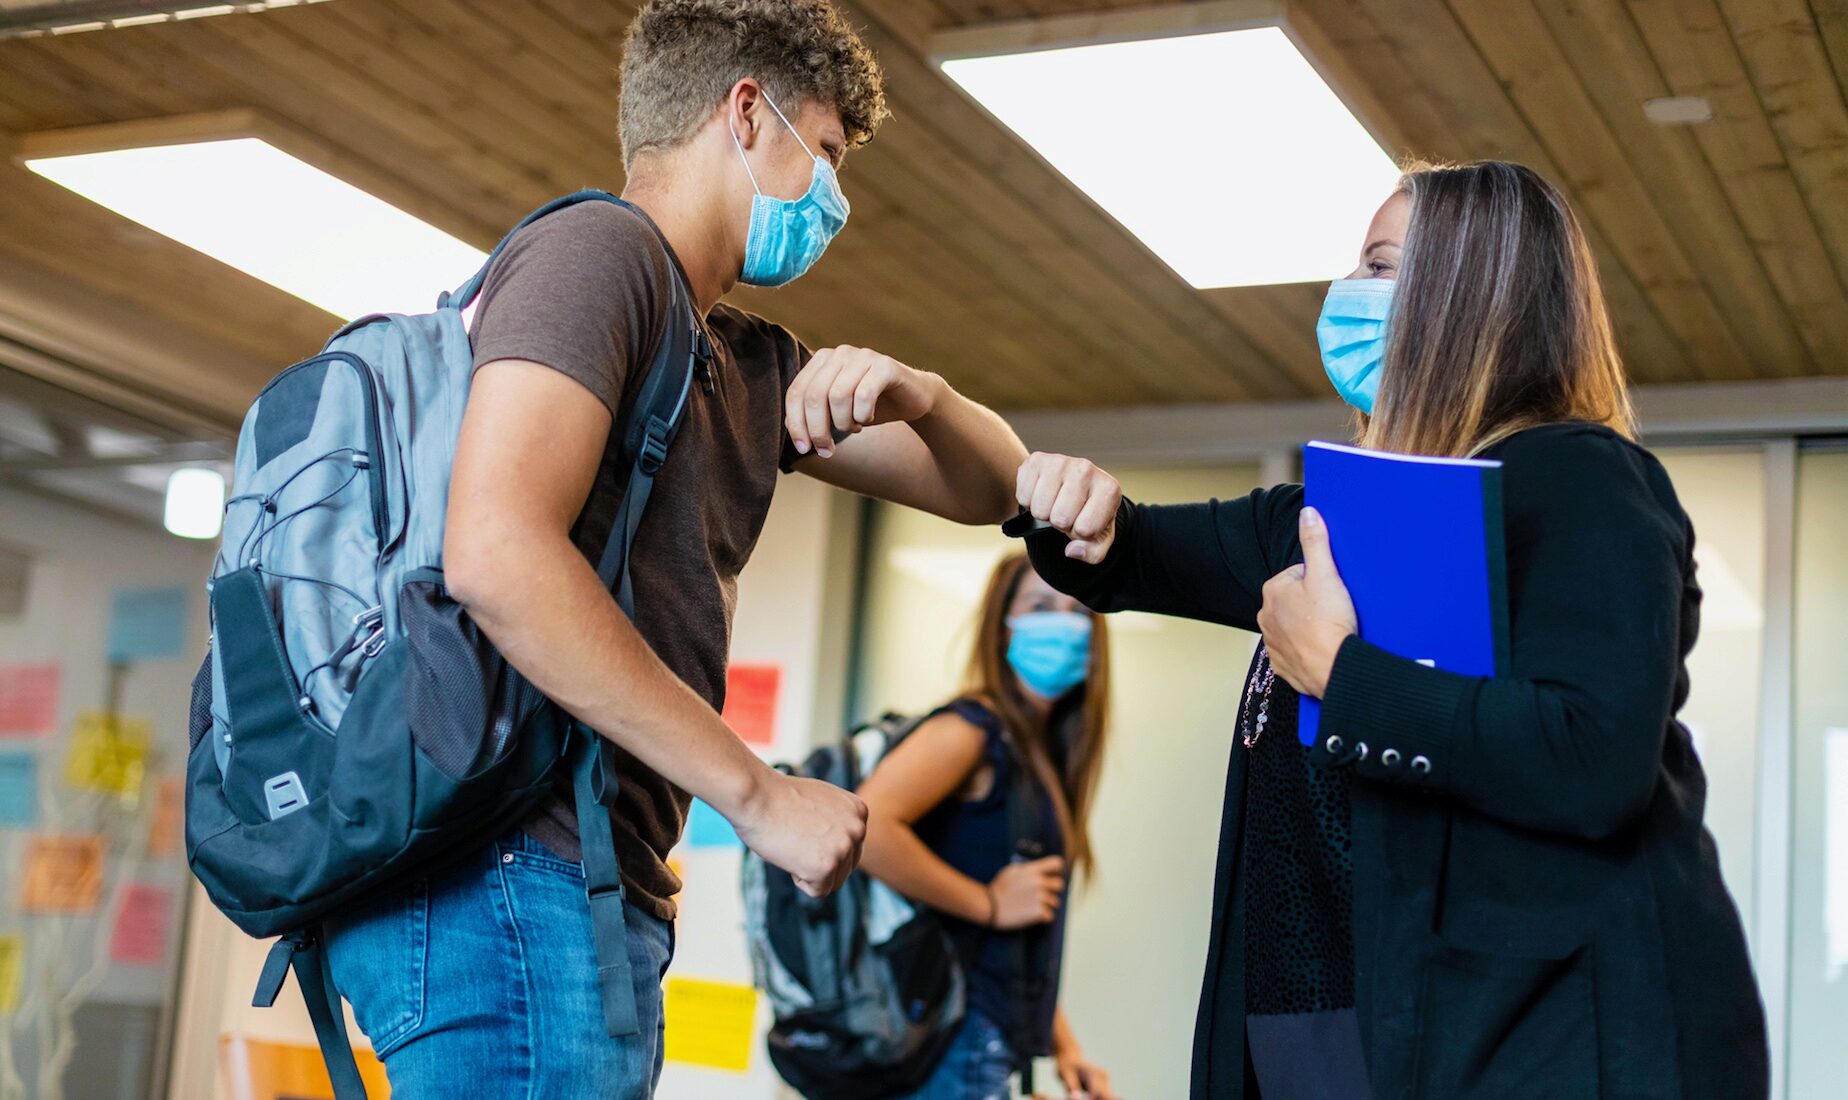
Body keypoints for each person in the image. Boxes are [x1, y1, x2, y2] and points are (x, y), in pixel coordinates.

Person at [323, 2, 1030, 1096]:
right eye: (827, 157)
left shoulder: (744, 361)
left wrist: (924, 395)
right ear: (747, 114)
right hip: (510, 864)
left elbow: (993, 486)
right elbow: (499, 554)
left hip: (586, 886)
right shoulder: (597, 257)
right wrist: (759, 795)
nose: (833, 200)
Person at [1015, 161, 1767, 1099]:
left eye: (1379, 267)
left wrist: (1339, 671)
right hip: (1319, 1027)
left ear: (1467, 295)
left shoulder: (1579, 481)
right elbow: (1129, 551)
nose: (1348, 294)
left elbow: (1591, 759)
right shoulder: (1341, 511)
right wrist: (1061, 499)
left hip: (1546, 1044)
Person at [856, 554, 1119, 1100]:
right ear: (1003, 629)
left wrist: (1065, 1047)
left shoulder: (1040, 751)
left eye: (1078, 612)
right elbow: (868, 828)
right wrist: (988, 903)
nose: (1065, 624)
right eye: (1041, 607)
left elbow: (1025, 934)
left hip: (991, 1042)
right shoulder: (971, 728)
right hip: (953, 1041)